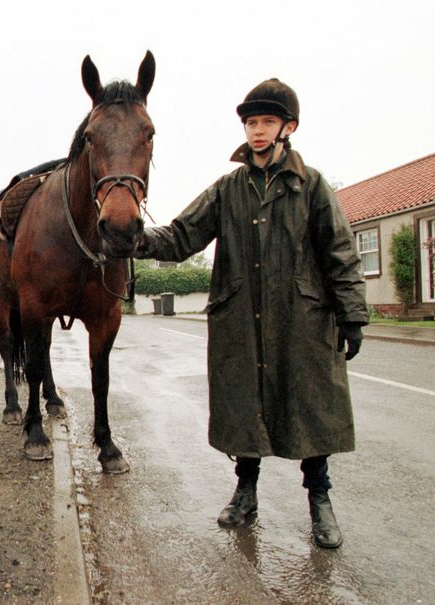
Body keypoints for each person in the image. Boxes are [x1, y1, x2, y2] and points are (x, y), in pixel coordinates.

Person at [135, 78, 367, 548]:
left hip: (301, 319)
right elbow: (181, 236)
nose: (257, 131)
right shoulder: (227, 189)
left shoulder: (312, 186)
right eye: (251, 122)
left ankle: (319, 500)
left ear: (288, 127)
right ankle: (245, 493)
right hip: (240, 316)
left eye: (267, 121)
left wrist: (352, 314)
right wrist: (136, 238)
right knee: (244, 403)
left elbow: (339, 251)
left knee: (310, 406)